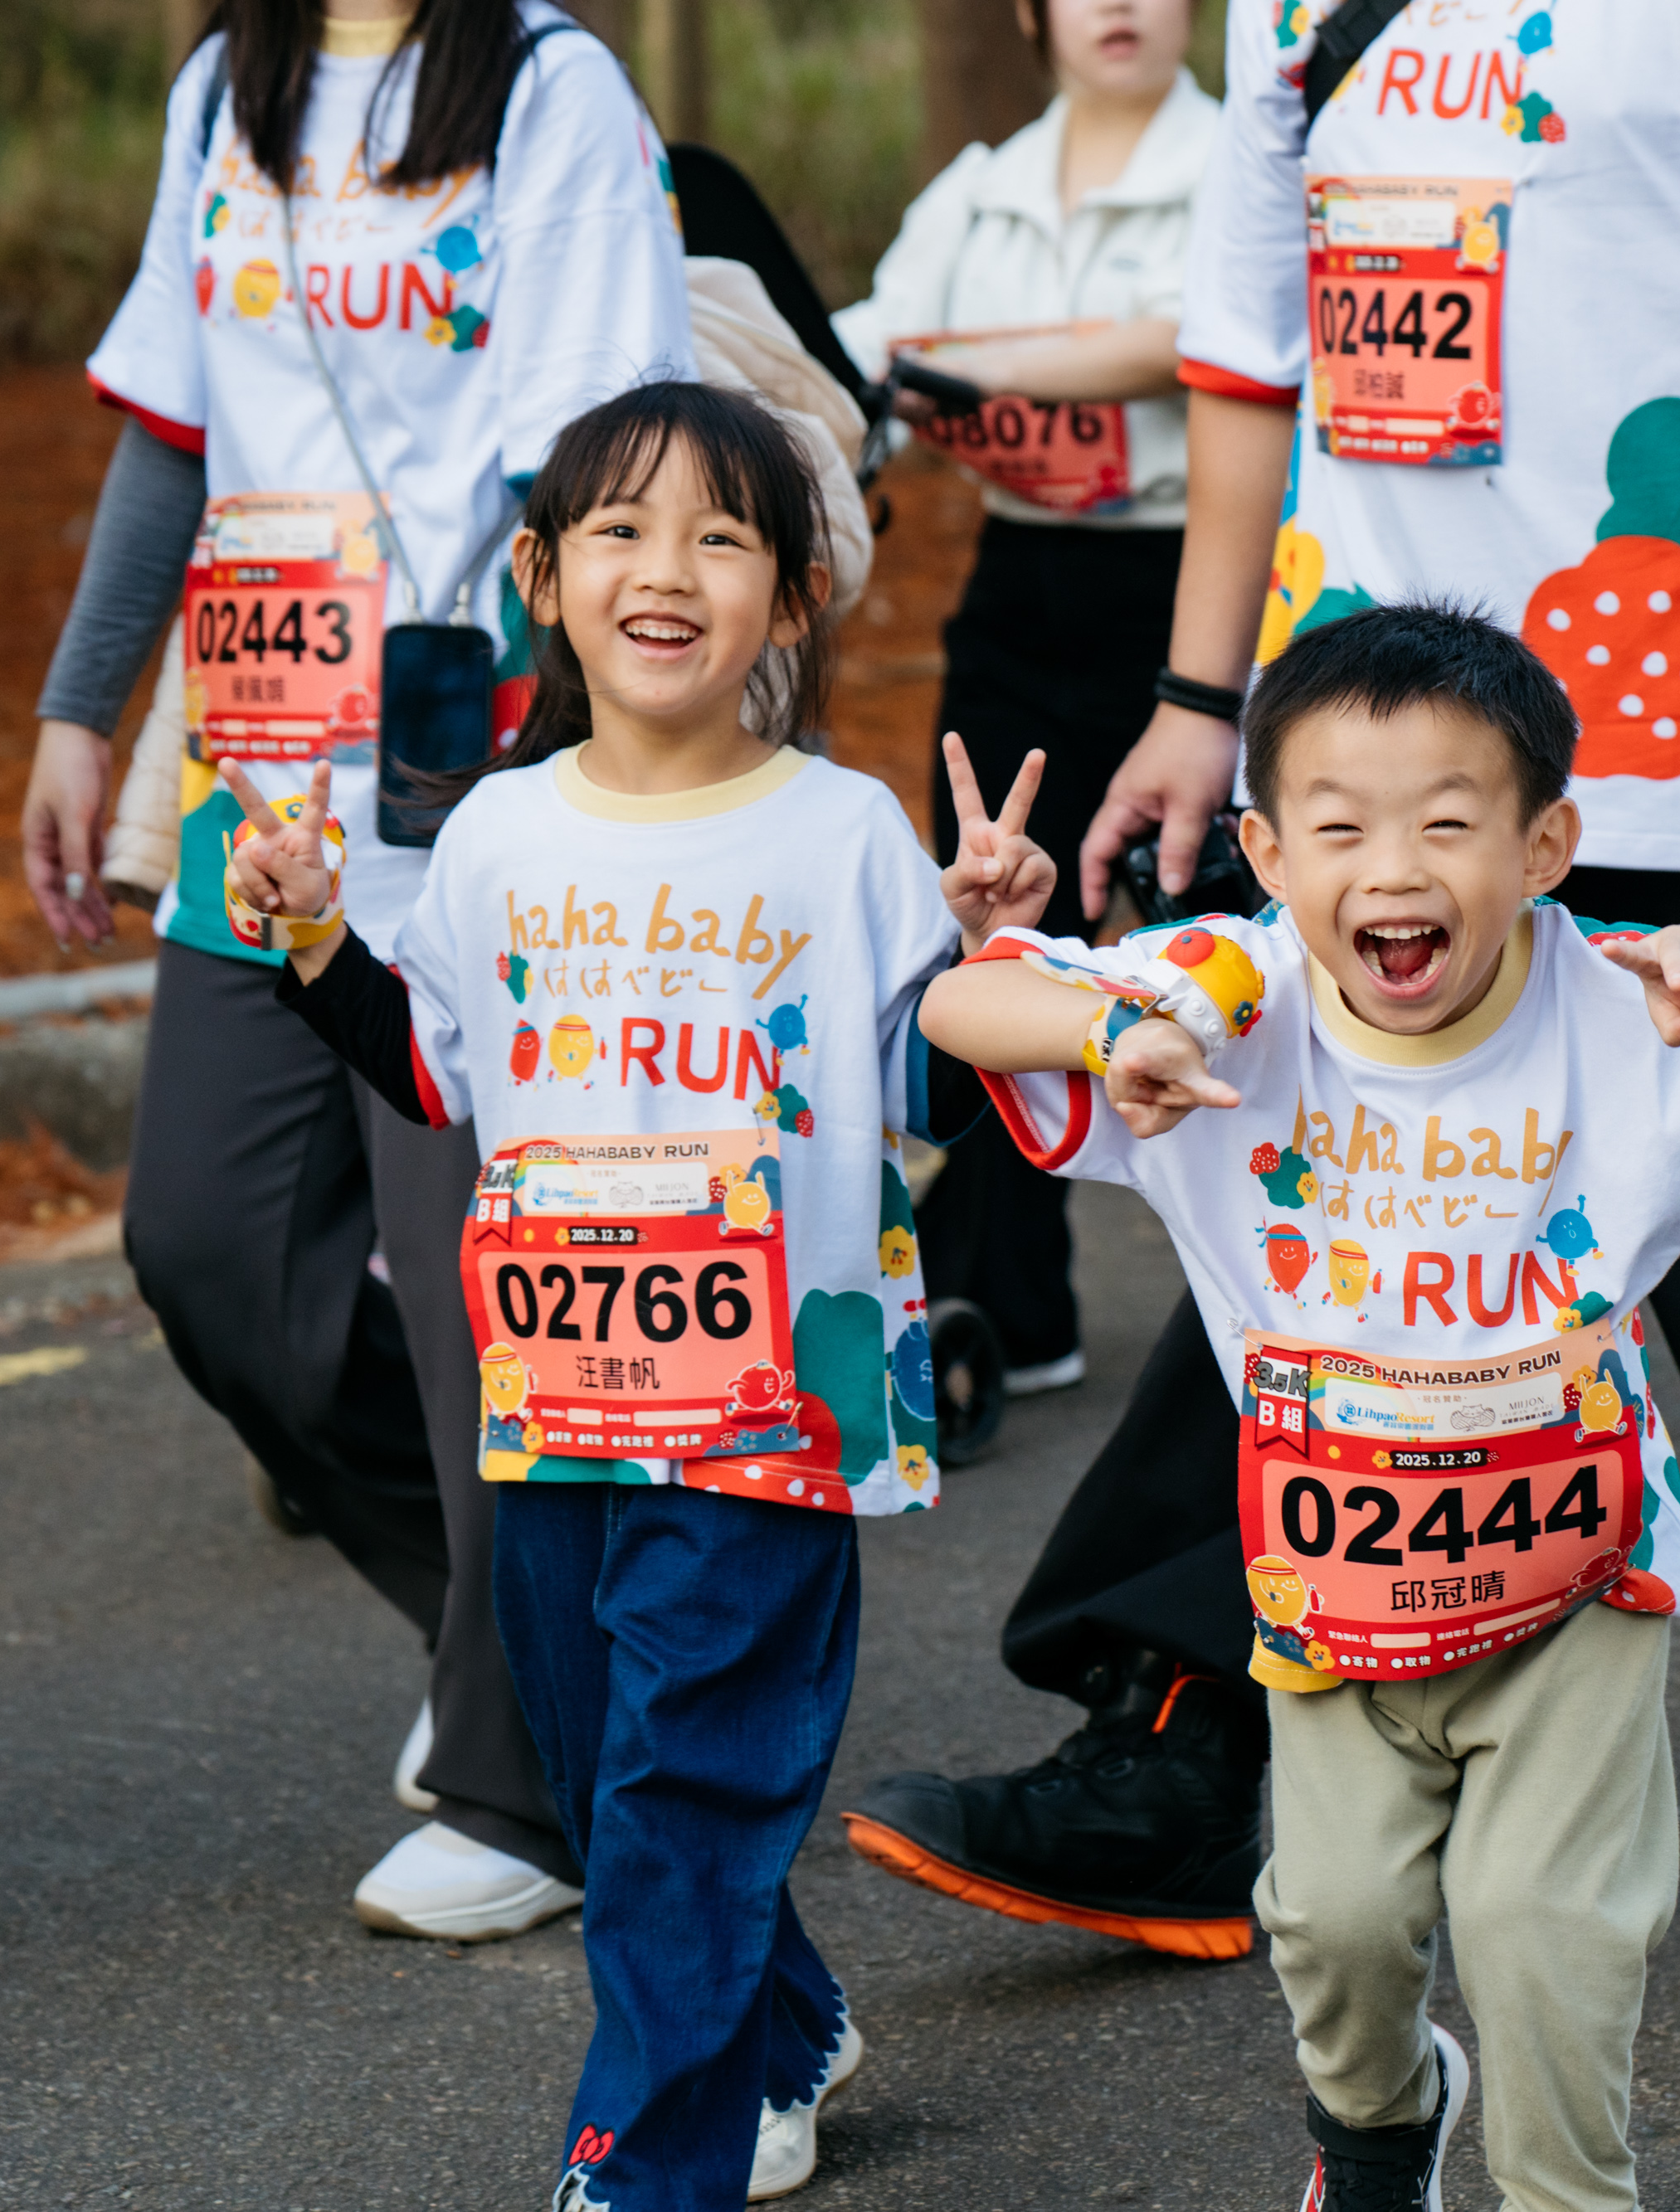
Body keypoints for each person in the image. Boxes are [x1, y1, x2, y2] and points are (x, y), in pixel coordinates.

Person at [857, 0, 1680, 1970]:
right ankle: (1187, 1736)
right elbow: (1245, 353)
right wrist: (1209, 700)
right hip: (1391, 757)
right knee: (1310, 1225)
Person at [925, 604, 1680, 2208]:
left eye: (1448, 824)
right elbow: (959, 1013)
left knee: (1550, 1934)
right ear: (1262, 848)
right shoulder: (1222, 996)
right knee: (1328, 1923)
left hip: (1574, 1572)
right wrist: (1102, 1020)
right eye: (1337, 827)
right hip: (1331, 1581)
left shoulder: (1622, 1005)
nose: (1391, 871)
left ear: (1546, 845)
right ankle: (1383, 2124)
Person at [222, 381, 1046, 2208]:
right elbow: (437, 1067)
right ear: (542, 572)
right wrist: (307, 941)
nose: (663, 571)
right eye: (617, 529)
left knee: (688, 1783)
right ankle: (780, 2026)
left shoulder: (841, 834)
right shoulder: (502, 831)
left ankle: (642, 2160)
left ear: (797, 594)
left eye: (719, 537)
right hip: (562, 1395)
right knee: (611, 1773)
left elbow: (945, 1077)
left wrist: (995, 947)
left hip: (766, 1407)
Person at [19, 0, 689, 1942]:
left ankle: (525, 1768)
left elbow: (608, 470)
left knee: (487, 1286)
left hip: (466, 775)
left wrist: (578, 771)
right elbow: (173, 430)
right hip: (257, 773)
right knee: (208, 1244)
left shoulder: (550, 94)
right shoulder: (224, 90)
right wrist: (85, 707)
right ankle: (529, 1638)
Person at [829, 0, 1216, 1391]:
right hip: (1017, 592)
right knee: (1001, 939)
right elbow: (868, 343)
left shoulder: (1237, 168)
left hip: (1194, 596)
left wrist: (980, 367)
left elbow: (1193, 339)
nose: (1120, 6)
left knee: (1213, 951)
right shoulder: (980, 194)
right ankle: (1013, 1301)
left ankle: (1300, 1293)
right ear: (1030, 13)